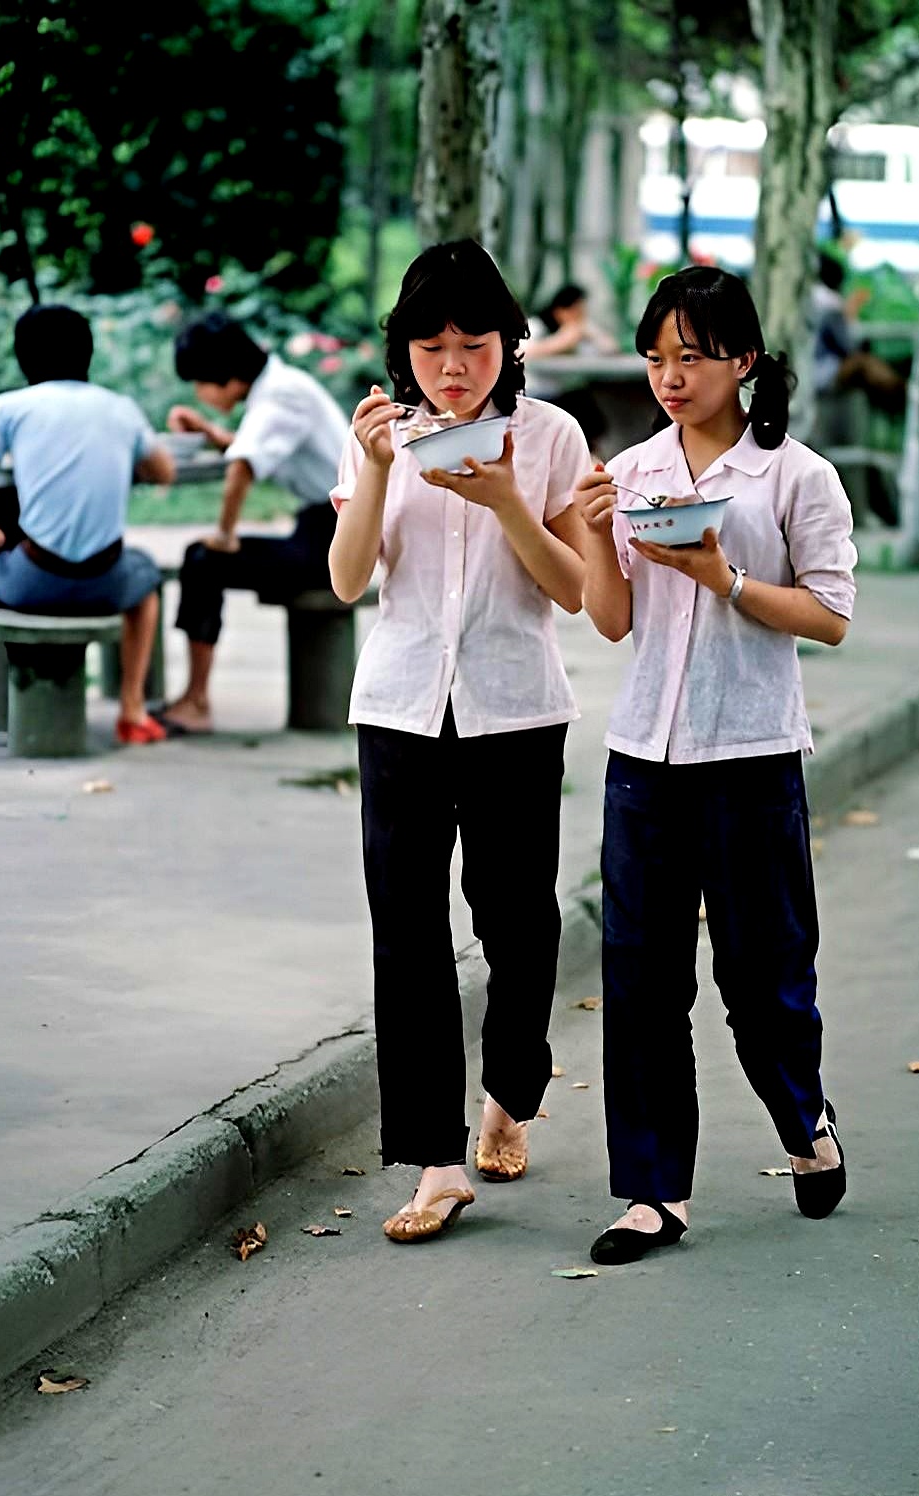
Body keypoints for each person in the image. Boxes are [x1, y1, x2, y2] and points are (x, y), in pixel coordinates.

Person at [573, 265, 855, 1265]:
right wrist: (596, 535)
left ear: (744, 360)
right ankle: (654, 1193)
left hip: (751, 754)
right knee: (640, 978)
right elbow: (612, 619)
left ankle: (806, 1124)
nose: (670, 376)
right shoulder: (634, 470)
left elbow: (829, 615)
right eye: (656, 357)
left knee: (763, 975)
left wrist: (723, 577)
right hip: (643, 756)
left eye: (691, 356)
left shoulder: (795, 476)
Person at [328, 239, 589, 1243]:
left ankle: (511, 1092)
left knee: (517, 917)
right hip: (399, 706)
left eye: (473, 345)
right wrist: (378, 469)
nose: (451, 367)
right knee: (406, 927)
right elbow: (348, 579)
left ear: (509, 344)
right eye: (430, 346)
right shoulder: (379, 435)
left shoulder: (551, 435)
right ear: (402, 349)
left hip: (514, 707)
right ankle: (435, 1160)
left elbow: (573, 588)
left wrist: (507, 498)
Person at [0, 304, 173, 748]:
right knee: (146, 578)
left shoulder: (10, 407)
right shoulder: (120, 408)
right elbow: (163, 472)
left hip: (33, 582)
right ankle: (132, 709)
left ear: (23, 356)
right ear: (88, 353)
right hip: (106, 582)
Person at [157, 312, 349, 734]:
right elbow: (251, 448)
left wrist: (225, 535)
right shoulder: (279, 389)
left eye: (200, 382)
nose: (199, 393)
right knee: (202, 557)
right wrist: (212, 434)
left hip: (334, 542)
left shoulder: (281, 396)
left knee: (204, 560)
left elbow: (242, 466)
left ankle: (196, 702)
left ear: (225, 376)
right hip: (326, 531)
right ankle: (194, 698)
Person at [521, 281, 617, 455]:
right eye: (575, 310)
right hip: (539, 394)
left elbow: (610, 348)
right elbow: (523, 352)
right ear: (560, 310)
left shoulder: (579, 328)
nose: (579, 315)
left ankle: (590, 454)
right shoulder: (536, 326)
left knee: (584, 405)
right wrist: (563, 340)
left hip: (568, 393)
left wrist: (589, 333)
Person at [811, 252, 906, 413]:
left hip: (816, 369)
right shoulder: (831, 303)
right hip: (822, 371)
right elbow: (848, 345)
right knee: (864, 363)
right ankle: (898, 391)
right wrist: (850, 312)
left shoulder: (816, 297)